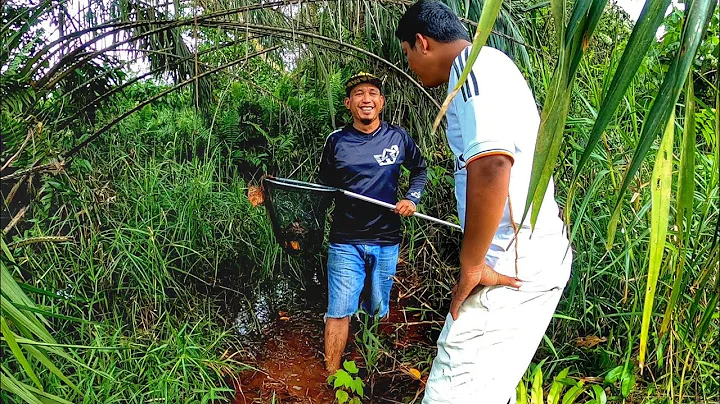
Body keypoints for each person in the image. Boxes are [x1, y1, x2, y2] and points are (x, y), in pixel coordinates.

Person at [395, 2, 572, 403]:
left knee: (452, 390)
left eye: (407, 54)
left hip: (511, 258)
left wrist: (472, 264)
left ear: (422, 43)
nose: (410, 67)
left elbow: (493, 164)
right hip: (522, 252)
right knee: (487, 389)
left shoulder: (473, 69)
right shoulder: (486, 69)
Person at [318, 72, 428, 373]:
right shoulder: (336, 142)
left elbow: (420, 170)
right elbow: (324, 189)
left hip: (386, 240)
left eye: (372, 93)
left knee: (376, 308)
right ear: (348, 103)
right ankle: (332, 379)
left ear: (381, 102)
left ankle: (368, 363)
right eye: (358, 94)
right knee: (339, 311)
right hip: (345, 241)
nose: (366, 99)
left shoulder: (398, 138)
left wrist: (412, 198)